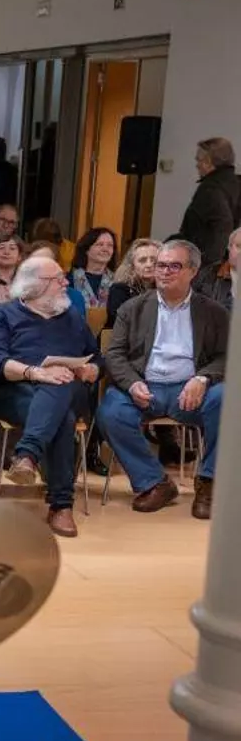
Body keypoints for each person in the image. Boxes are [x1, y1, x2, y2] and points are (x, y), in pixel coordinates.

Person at [99, 240, 227, 519]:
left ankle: (208, 482)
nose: (165, 271)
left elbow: (226, 356)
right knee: (111, 411)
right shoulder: (132, 308)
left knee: (228, 401)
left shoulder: (213, 312)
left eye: (174, 266)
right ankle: (155, 482)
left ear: (193, 271)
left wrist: (203, 378)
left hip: (191, 390)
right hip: (145, 386)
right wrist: (132, 383)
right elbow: (115, 354)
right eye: (161, 265)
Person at [0, 257, 102, 538]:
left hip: (69, 389)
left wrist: (92, 369)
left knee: (60, 382)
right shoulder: (4, 315)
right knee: (62, 416)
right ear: (34, 285)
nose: (65, 283)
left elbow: (97, 356)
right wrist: (35, 372)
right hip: (14, 391)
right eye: (57, 279)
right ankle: (61, 505)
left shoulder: (72, 316)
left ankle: (27, 455)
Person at [175, 137, 240, 272]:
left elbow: (223, 226)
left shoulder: (210, 189)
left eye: (199, 160)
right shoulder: (236, 183)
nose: (197, 165)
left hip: (204, 266)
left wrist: (209, 268)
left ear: (210, 162)